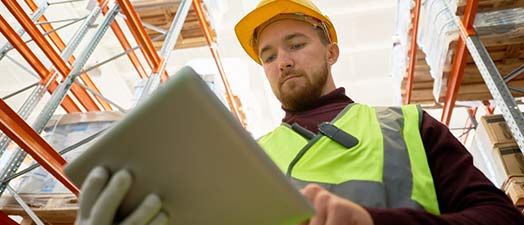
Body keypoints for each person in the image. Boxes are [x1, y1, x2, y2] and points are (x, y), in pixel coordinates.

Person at [75, 0, 524, 225]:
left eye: (295, 45)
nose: (282, 62)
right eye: (268, 56)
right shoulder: (245, 153)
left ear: (331, 51)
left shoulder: (407, 123)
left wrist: (373, 223)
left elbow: (499, 218)